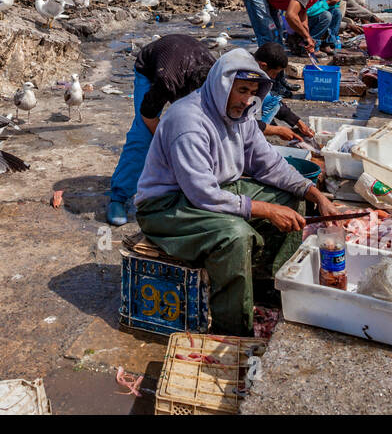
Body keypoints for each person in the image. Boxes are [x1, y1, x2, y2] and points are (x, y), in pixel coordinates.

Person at [134, 49, 342, 335]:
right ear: (222, 85)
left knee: (291, 200)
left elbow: (269, 163)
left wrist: (314, 194)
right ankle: (233, 329)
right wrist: (265, 210)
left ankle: (267, 283)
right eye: (241, 90)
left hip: (216, 190)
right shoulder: (188, 122)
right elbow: (202, 194)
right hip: (165, 206)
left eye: (252, 92)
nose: (247, 99)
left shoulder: (241, 115)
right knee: (235, 235)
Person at [106, 34, 215, 226]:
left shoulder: (218, 81)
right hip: (150, 67)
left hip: (183, 57)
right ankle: (119, 196)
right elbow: (148, 115)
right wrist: (165, 141)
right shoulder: (167, 81)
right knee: (143, 135)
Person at [254, 42, 315, 141]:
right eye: (274, 73)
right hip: (235, 126)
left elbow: (275, 103)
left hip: (253, 115)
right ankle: (256, 137)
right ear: (263, 65)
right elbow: (247, 123)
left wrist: (299, 123)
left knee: (272, 98)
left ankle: (262, 131)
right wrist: (277, 130)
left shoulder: (259, 74)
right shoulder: (247, 84)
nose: (273, 77)